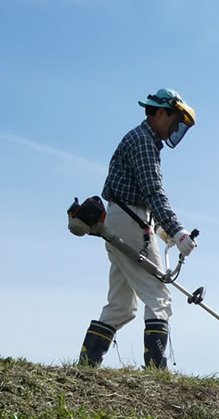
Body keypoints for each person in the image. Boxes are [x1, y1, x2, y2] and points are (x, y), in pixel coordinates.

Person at [78, 88, 198, 369]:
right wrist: (178, 231)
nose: (175, 128)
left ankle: (86, 365)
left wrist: (160, 229)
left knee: (122, 305)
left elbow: (140, 194)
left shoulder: (142, 139)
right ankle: (156, 371)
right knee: (159, 296)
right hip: (130, 220)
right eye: (175, 120)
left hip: (122, 219)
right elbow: (154, 192)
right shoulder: (144, 141)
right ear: (159, 112)